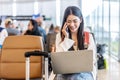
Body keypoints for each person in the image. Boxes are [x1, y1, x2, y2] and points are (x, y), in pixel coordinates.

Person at [55, 6, 97, 80]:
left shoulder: (88, 36)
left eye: (75, 21)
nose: (72, 24)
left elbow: (92, 60)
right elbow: (58, 60)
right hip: (64, 73)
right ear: (65, 22)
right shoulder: (60, 36)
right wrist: (66, 39)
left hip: (85, 72)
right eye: (69, 21)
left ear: (80, 20)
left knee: (76, 77)